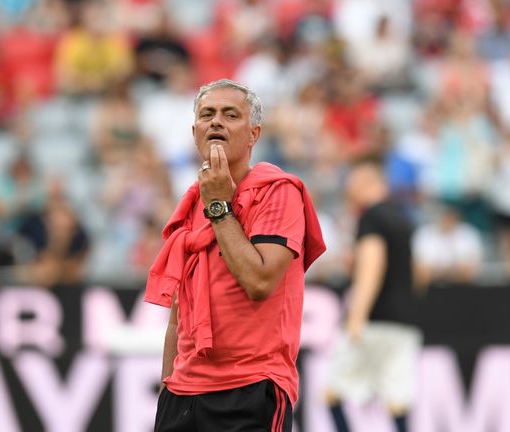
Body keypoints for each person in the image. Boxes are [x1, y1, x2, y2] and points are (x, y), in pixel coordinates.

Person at [145, 79, 326, 431]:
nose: (216, 122)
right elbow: (179, 313)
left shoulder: (278, 192)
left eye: (231, 115)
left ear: (254, 134)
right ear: (194, 131)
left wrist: (218, 205)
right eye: (207, 114)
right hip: (183, 394)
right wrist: (168, 386)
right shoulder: (193, 200)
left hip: (250, 386)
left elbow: (259, 281)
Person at [326, 159, 422, 432]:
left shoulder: (371, 217)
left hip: (373, 321)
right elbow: (416, 272)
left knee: (333, 392)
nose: (349, 187)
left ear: (368, 180)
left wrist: (357, 316)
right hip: (403, 323)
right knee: (397, 401)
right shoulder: (404, 218)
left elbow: (372, 265)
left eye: (353, 180)